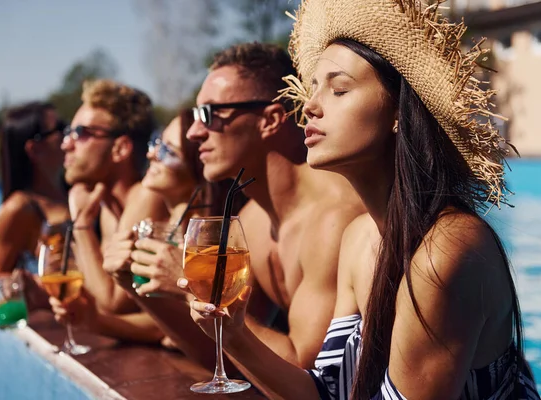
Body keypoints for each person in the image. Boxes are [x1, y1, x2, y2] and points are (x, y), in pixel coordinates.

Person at [186, 1, 541, 399]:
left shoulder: (446, 249)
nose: (311, 107)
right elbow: (325, 392)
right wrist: (234, 335)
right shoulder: (360, 238)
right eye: (313, 89)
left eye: (338, 90)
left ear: (396, 111)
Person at [121, 42, 365, 370]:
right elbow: (226, 356)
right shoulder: (250, 221)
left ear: (269, 121)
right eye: (195, 116)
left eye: (209, 114)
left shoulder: (335, 218)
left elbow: (305, 371)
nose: (194, 132)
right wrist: (134, 287)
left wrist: (195, 288)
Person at [51, 109, 243, 345]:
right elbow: (163, 323)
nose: (152, 154)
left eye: (168, 151)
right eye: (156, 143)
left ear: (198, 161)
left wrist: (82, 227)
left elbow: (208, 327)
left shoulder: (205, 236)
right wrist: (94, 320)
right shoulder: (170, 224)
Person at [61, 79, 168, 314]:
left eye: (81, 133)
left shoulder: (146, 196)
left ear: (120, 149)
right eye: (69, 132)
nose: (66, 144)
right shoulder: (108, 207)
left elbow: (112, 303)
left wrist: (81, 226)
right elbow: (94, 286)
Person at [0, 101, 69, 275]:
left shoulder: (76, 190)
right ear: (34, 149)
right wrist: (41, 276)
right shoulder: (19, 209)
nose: (69, 135)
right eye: (60, 128)